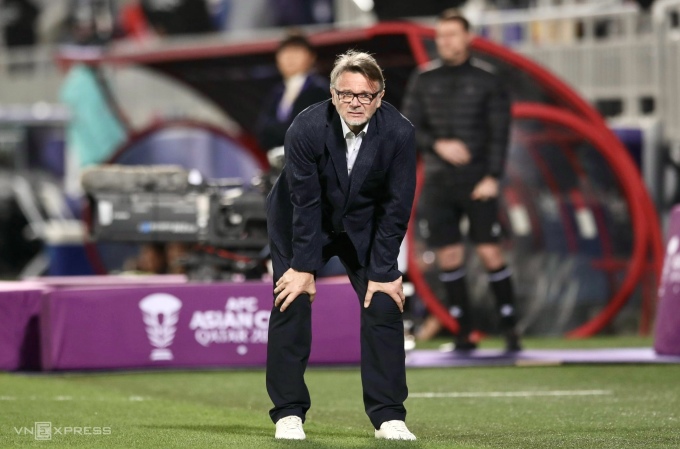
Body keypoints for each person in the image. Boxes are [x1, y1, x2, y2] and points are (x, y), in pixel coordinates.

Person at [265, 50, 417, 441]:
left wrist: (385, 272)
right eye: (347, 94)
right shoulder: (306, 127)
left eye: (365, 95)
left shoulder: (399, 132)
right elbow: (305, 202)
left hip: (363, 228)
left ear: (380, 97)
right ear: (333, 95)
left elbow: (396, 207)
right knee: (291, 299)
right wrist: (303, 267)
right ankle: (288, 412)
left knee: (384, 301)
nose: (355, 102)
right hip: (300, 221)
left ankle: (388, 415)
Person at [402, 9, 522, 352]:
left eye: (452, 35)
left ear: (468, 37)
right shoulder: (423, 79)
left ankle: (511, 329)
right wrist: (438, 144)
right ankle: (463, 333)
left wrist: (493, 177)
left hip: (478, 181)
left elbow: (501, 134)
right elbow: (409, 126)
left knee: (489, 253)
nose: (446, 41)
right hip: (439, 183)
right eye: (441, 36)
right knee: (448, 257)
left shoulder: (488, 79)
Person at [256, 32, 329, 154]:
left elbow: (310, 132)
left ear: (311, 57)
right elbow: (262, 133)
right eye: (285, 52)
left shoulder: (319, 89)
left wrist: (278, 131)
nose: (289, 57)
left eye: (296, 52)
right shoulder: (276, 93)